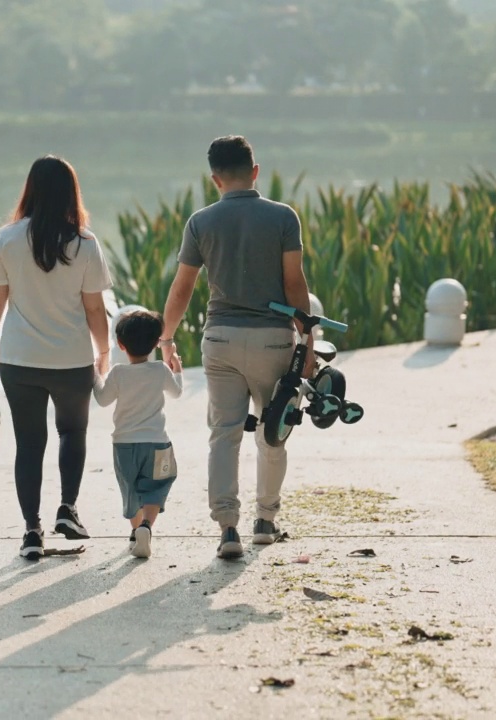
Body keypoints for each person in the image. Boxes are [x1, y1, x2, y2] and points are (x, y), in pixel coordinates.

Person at [159, 135, 315, 560]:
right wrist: (308, 339)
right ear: (255, 172)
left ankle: (228, 528)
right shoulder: (284, 217)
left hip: (222, 339)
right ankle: (265, 520)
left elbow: (183, 287)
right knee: (273, 430)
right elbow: (294, 282)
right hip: (273, 339)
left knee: (223, 435)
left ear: (215, 180)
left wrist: (167, 337)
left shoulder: (200, 221)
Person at [0, 155, 113, 561]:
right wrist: (104, 350)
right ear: (72, 192)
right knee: (72, 433)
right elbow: (94, 308)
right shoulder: (85, 243)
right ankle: (68, 510)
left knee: (29, 444)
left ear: (30, 189)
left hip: (20, 360)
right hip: (71, 360)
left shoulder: (8, 238)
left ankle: (32, 530)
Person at [93, 310, 183, 559]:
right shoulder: (159, 370)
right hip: (157, 443)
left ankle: (135, 532)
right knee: (157, 486)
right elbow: (176, 393)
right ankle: (146, 528)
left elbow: (102, 399)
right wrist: (176, 370)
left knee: (130, 489)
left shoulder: (119, 373)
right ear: (156, 343)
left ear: (121, 346)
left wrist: (96, 373)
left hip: (124, 444)